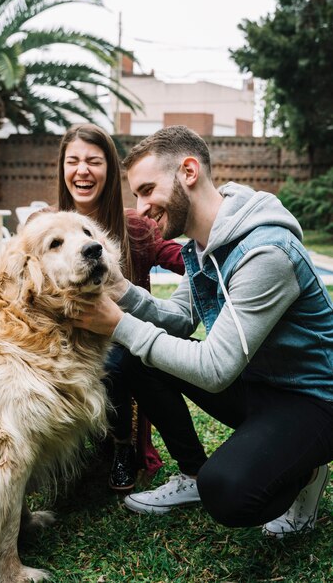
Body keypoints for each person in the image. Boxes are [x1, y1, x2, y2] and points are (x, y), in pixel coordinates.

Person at [71, 125, 333, 537]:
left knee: (229, 493)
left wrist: (119, 325)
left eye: (146, 190)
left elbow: (215, 369)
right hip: (259, 385)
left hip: (313, 399)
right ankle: (192, 473)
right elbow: (178, 317)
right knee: (141, 359)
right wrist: (121, 289)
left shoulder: (265, 252)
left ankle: (304, 470)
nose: (140, 208)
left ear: (188, 171)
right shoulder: (202, 243)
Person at [57, 123, 187, 491]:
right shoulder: (44, 226)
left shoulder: (135, 226)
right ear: (63, 169)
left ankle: (122, 446)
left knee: (114, 360)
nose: (82, 170)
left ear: (110, 171)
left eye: (94, 161)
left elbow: (186, 258)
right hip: (59, 345)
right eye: (74, 161)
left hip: (117, 343)